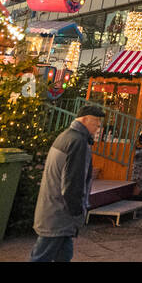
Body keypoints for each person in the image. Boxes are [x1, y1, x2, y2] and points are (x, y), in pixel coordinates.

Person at [31, 105, 104, 261]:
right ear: (84, 120)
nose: (99, 126)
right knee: (42, 255)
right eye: (96, 121)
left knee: (62, 253)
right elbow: (73, 182)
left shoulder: (66, 136)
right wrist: (78, 210)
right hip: (59, 212)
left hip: (54, 209)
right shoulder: (78, 142)